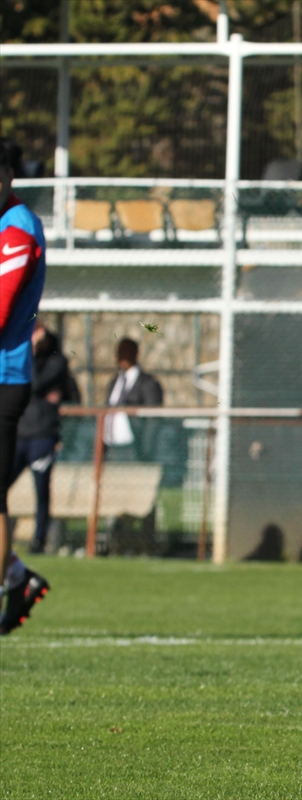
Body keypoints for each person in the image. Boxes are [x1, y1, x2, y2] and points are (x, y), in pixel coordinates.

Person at [0, 138, 50, 635]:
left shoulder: (17, 227)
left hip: (3, 378)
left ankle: (12, 579)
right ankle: (17, 576)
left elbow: (1, 303)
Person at [11, 323, 78, 554]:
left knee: (41, 492)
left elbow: (35, 383)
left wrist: (31, 352)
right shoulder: (20, 360)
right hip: (19, 436)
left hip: (41, 437)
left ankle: (38, 541)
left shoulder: (56, 363)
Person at [103, 337, 163, 457]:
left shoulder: (147, 383)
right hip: (110, 447)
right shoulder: (115, 382)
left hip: (133, 448)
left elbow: (153, 419)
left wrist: (146, 449)